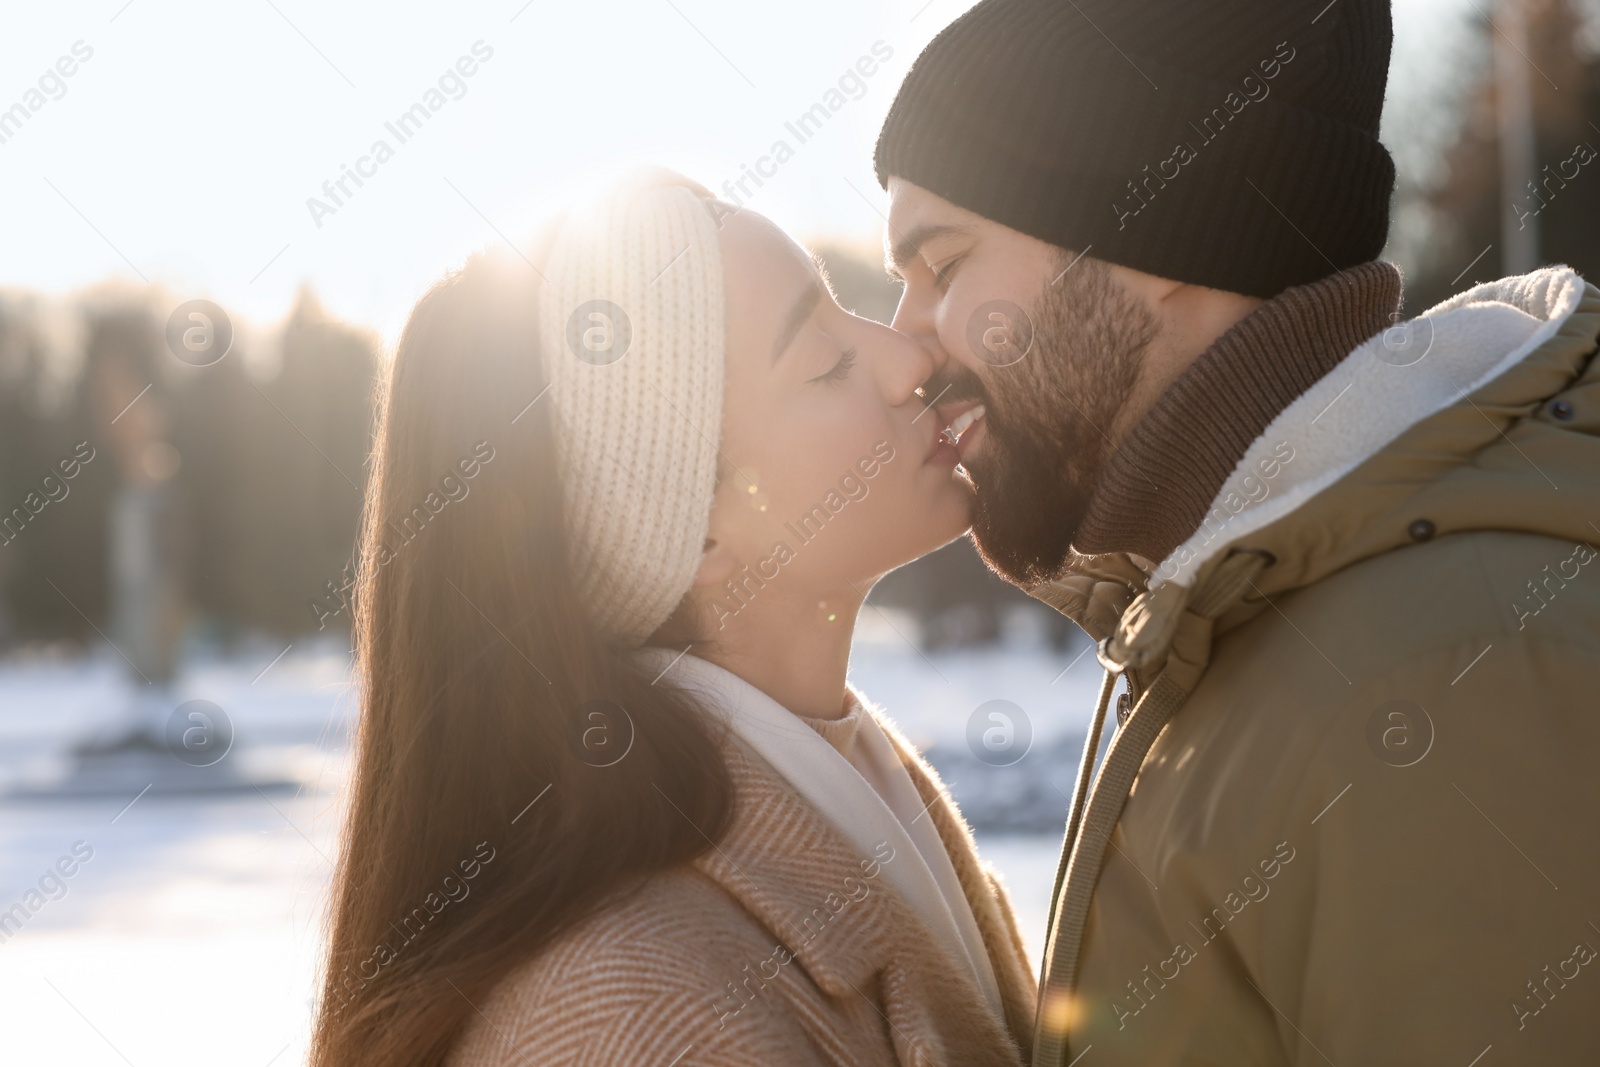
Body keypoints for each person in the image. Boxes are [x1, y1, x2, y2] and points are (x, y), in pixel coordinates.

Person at [873, 0, 1600, 1064]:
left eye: (943, 264)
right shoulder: (1226, 608)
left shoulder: (1445, 670)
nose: (908, 344)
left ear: (1161, 233)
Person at [307, 170, 1037, 1067]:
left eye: (846, 313)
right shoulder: (627, 1018)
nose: (907, 358)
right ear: (690, 531)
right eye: (825, 359)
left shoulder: (865, 791)